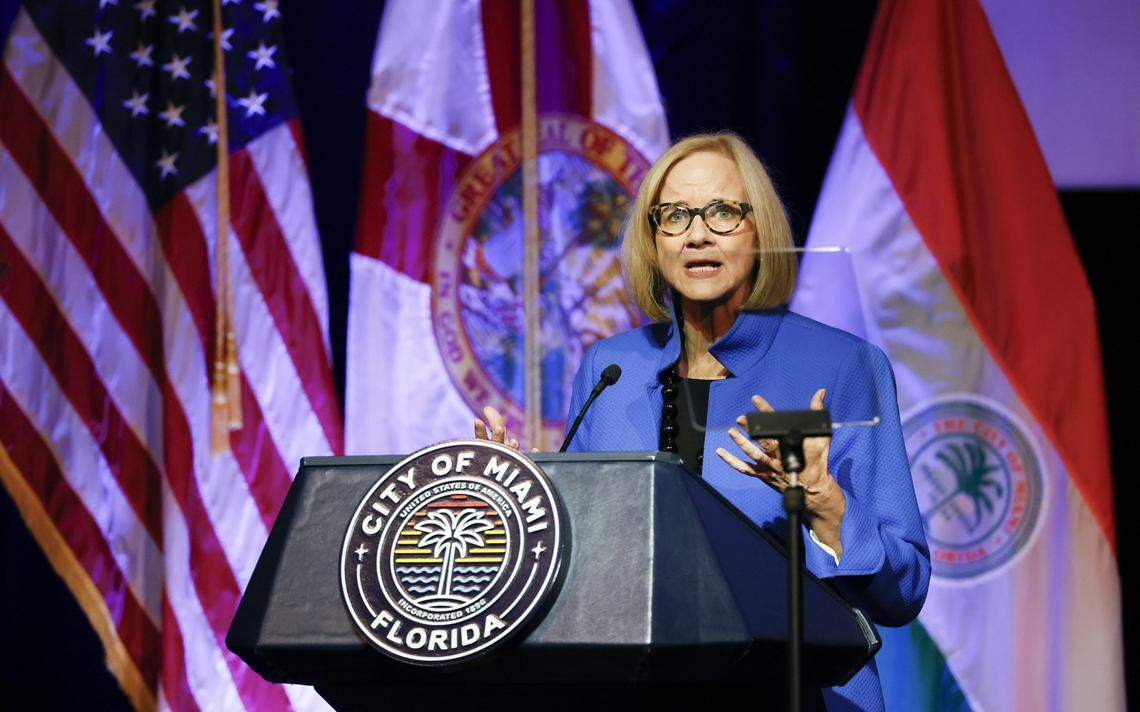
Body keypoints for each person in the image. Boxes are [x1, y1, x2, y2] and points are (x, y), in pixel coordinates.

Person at [475, 132, 929, 711]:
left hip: (799, 693)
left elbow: (906, 587)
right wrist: (510, 498)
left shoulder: (839, 366)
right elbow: (584, 562)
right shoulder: (612, 368)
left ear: (759, 228)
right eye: (675, 216)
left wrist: (826, 507)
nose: (697, 234)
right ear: (654, 239)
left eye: (722, 212)